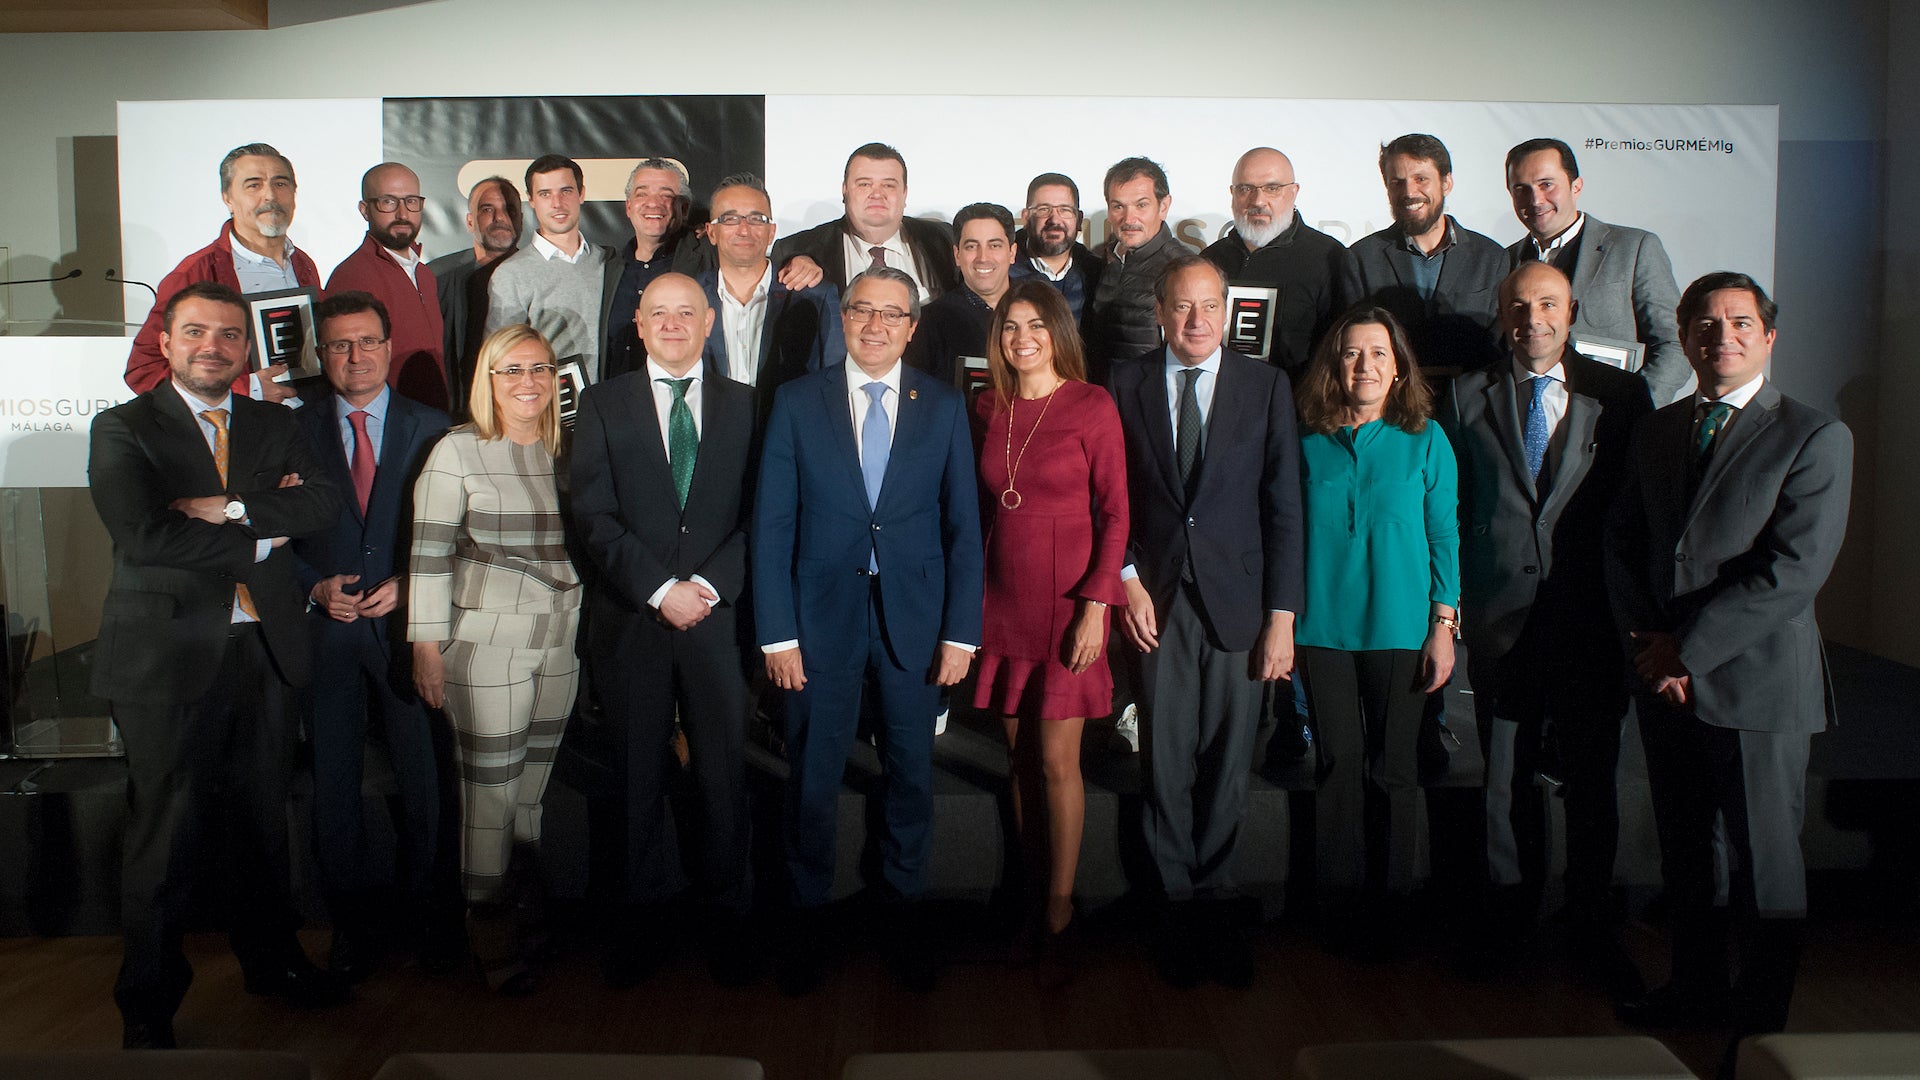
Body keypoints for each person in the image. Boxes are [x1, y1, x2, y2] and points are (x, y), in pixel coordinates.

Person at [88, 281, 346, 1049]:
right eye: (195, 332)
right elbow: (146, 537)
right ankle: (148, 1003)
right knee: (163, 837)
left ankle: (273, 964)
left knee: (263, 827)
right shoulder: (123, 427)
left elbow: (324, 503)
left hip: (263, 650)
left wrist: (231, 508)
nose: (213, 346)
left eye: (229, 335)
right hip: (164, 659)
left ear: (246, 349)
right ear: (165, 343)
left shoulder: (273, 421)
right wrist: (267, 525)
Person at [1607, 272, 1853, 1035]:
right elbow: (1624, 544)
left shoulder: (1813, 435)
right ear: (1683, 339)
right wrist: (1652, 651)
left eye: (1741, 323)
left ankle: (1760, 1016)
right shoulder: (1656, 428)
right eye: (1705, 325)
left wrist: (1686, 651)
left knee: (1763, 859)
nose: (1723, 338)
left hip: (1755, 683)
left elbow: (1792, 570)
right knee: (1687, 853)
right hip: (1664, 679)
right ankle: (1695, 990)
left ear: (1768, 337)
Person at [751, 266, 984, 995]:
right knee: (813, 781)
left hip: (915, 627)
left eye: (893, 314)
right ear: (842, 318)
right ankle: (807, 922)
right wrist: (777, 634)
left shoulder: (943, 406)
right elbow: (773, 524)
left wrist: (961, 632)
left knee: (912, 778)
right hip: (819, 624)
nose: (876, 325)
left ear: (913, 327)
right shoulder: (795, 402)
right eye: (863, 311)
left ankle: (903, 916)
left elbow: (963, 530)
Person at [1439, 263, 1652, 987]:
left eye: (1549, 304)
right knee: (1506, 779)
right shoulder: (1465, 395)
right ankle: (1509, 919)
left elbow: (1635, 515)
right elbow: (1452, 510)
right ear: (1501, 312)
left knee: (1592, 780)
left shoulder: (1622, 395)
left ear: (1572, 311)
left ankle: (1592, 924)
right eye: (1520, 305)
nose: (1534, 317)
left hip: (1592, 621)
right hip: (1499, 618)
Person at [1110, 255, 1303, 987]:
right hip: (1154, 601)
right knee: (1163, 757)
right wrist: (1126, 579)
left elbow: (1285, 506)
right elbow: (1114, 497)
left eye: (1209, 307)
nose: (1196, 321)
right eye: (1181, 307)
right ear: (1159, 312)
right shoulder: (1123, 382)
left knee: (1228, 760)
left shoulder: (1266, 385)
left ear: (1229, 313)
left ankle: (1215, 900)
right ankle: (1173, 905)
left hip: (1241, 606)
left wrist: (1281, 616)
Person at [571, 274, 760, 987]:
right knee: (636, 777)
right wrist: (658, 590)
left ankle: (728, 925)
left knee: (722, 777)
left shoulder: (747, 406)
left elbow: (759, 514)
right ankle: (639, 925)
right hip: (634, 620)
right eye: (660, 314)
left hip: (717, 619)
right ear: (639, 326)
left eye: (688, 312)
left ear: (710, 322)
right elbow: (593, 515)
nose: (674, 324)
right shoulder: (601, 403)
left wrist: (706, 587)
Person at [408, 323, 583, 995]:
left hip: (560, 641)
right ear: (487, 378)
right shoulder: (457, 450)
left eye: (539, 369)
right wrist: (426, 646)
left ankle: (528, 923)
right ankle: (492, 944)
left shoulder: (566, 448)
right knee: (490, 800)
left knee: (532, 800)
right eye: (511, 370)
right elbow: (426, 554)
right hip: (484, 646)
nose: (528, 382)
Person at [291, 291, 453, 982]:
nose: (354, 358)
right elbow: (267, 536)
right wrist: (312, 583)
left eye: (366, 343)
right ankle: (351, 931)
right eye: (338, 346)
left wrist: (412, 584)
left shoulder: (436, 427)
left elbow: (458, 530)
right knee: (335, 788)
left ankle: (431, 925)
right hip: (325, 635)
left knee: (425, 783)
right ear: (320, 353)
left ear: (388, 348)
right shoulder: (288, 431)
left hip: (406, 632)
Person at [972, 280, 1128, 980]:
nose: (1022, 337)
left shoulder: (1092, 405)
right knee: (1017, 763)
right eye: (1010, 326)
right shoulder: (987, 405)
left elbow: (1118, 514)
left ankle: (1060, 914)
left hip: (1070, 610)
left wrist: (1099, 606)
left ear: (1058, 331)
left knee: (1060, 764)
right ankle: (1031, 899)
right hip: (1002, 604)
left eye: (1036, 325)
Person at [1292, 304, 1459, 951]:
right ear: (1336, 363)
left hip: (1401, 627)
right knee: (1337, 765)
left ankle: (1391, 906)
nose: (1365, 364)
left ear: (1398, 367)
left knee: (1394, 769)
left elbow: (1444, 533)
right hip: (1323, 628)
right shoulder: (1304, 435)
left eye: (1379, 354)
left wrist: (1443, 622)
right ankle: (1337, 904)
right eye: (1353, 352)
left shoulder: (1428, 438)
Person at [125, 143, 314, 403]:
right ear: (228, 198)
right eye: (253, 185)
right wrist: (246, 389)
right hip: (235, 430)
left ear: (294, 193)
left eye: (280, 184)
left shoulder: (302, 263)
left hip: (304, 426)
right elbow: (144, 369)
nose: (270, 195)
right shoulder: (195, 273)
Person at [1504, 137, 1688, 403]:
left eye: (1546, 184)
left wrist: (1636, 409)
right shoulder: (1504, 261)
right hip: (1528, 416)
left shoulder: (1634, 248)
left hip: (1611, 423)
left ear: (1576, 186)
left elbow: (1674, 344)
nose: (1535, 199)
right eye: (1521, 188)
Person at [1342, 134, 1505, 379]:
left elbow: (1500, 345)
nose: (1409, 192)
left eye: (1421, 179)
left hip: (1471, 403)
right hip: (1392, 404)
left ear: (1446, 183)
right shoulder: (1361, 258)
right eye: (1397, 182)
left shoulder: (1492, 257)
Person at [695, 172, 843, 421]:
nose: (744, 230)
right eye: (730, 219)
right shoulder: (689, 298)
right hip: (710, 448)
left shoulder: (815, 296)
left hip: (788, 445)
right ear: (711, 232)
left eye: (756, 219)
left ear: (771, 231)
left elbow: (834, 383)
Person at [1199, 147, 1350, 377]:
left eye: (1272, 188)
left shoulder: (1329, 257)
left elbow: (1342, 348)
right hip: (1219, 403)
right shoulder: (1210, 261)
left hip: (1297, 404)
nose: (1258, 200)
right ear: (1232, 193)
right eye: (1245, 188)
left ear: (1294, 192)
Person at [326, 163, 447, 411]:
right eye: (388, 202)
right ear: (365, 210)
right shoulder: (351, 275)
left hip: (433, 418)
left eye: (411, 201)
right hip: (389, 424)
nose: (403, 213)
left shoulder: (425, 274)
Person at [771, 142, 958, 301]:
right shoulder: (797, 250)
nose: (877, 194)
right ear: (845, 191)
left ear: (904, 194)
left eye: (888, 185)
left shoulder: (944, 239)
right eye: (864, 184)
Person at [485, 155, 608, 377]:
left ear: (581, 194)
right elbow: (501, 358)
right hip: (549, 404)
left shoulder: (607, 261)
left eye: (566, 191)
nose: (557, 203)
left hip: (611, 400)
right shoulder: (511, 274)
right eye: (545, 194)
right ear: (531, 200)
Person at [600, 158, 717, 380]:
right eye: (642, 194)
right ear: (628, 206)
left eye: (665, 195)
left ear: (683, 208)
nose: (653, 203)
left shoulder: (709, 253)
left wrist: (799, 260)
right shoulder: (607, 266)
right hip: (617, 401)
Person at [1084, 156, 1197, 385]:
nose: (1129, 218)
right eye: (1118, 206)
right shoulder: (1104, 258)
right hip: (1102, 395)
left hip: (1151, 397)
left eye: (1141, 205)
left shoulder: (1184, 268)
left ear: (1163, 207)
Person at [427, 176, 523, 422]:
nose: (500, 218)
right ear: (470, 221)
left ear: (521, 219)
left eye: (509, 209)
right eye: (487, 209)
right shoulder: (436, 276)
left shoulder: (539, 277)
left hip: (518, 411)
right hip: (453, 415)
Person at [908, 202, 1017, 388]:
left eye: (995, 245)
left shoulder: (1042, 311)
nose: (983, 257)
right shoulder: (928, 323)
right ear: (957, 255)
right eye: (971, 246)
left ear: (1012, 253)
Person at [1013, 172, 1102, 323]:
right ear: (1026, 218)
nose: (1054, 219)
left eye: (1064, 210)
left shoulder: (1098, 274)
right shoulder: (1002, 273)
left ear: (1079, 219)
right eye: (1043, 209)